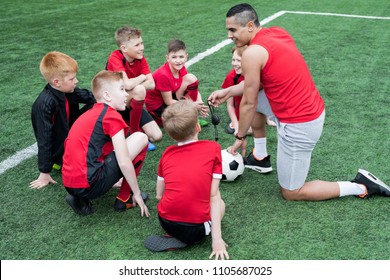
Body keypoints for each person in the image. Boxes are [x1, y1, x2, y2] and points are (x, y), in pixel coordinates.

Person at [208, 3, 390, 201]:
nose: (229, 36)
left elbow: (249, 104)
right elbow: (256, 87)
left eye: (233, 30)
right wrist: (228, 91)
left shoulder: (252, 54)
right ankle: (260, 157)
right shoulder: (276, 32)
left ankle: (360, 185)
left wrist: (240, 136)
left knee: (291, 192)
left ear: (250, 25)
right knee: (251, 99)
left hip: (300, 124)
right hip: (310, 108)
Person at [144, 100, 228, 260]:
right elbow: (213, 195)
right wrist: (217, 239)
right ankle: (192, 237)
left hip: (166, 221)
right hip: (196, 229)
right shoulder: (213, 148)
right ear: (198, 127)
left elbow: (159, 195)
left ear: (169, 134)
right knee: (219, 200)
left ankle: (176, 234)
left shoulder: (167, 153)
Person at [61, 70, 150, 217]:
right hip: (89, 184)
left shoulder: (90, 113)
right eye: (122, 89)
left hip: (69, 183)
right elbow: (124, 162)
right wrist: (137, 193)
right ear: (107, 95)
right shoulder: (111, 116)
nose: (127, 94)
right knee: (140, 138)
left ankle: (80, 198)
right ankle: (125, 198)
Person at [30, 51, 95, 189]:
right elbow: (44, 139)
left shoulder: (68, 91)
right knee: (90, 164)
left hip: (70, 133)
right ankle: (59, 163)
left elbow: (91, 97)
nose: (76, 81)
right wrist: (44, 171)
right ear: (56, 82)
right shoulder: (44, 104)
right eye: (72, 79)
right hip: (60, 149)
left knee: (99, 104)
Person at [106, 25, 162, 151]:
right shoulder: (115, 57)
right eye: (137, 45)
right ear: (124, 48)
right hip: (114, 105)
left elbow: (152, 84)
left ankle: (130, 124)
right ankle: (134, 133)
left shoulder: (140, 58)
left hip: (130, 102)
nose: (142, 48)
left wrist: (133, 83)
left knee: (157, 136)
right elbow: (127, 85)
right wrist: (142, 76)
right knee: (140, 90)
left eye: (141, 43)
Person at [145, 39, 209, 127]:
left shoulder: (181, 68)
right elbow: (168, 101)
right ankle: (188, 117)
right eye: (174, 57)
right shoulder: (163, 75)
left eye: (181, 57)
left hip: (170, 96)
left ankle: (190, 116)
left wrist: (200, 103)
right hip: (158, 108)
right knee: (179, 122)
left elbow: (193, 89)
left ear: (186, 57)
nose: (178, 61)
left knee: (191, 79)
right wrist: (191, 106)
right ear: (167, 58)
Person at [223, 46, 275, 135]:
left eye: (239, 60)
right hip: (243, 112)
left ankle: (264, 118)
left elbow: (263, 95)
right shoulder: (231, 77)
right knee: (250, 130)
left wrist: (268, 118)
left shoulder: (257, 74)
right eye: (233, 60)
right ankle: (238, 122)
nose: (235, 64)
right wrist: (236, 125)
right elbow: (230, 105)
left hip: (255, 109)